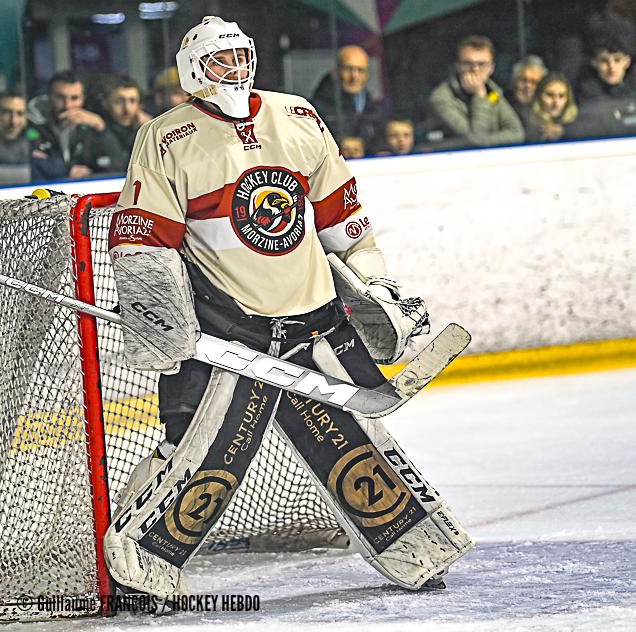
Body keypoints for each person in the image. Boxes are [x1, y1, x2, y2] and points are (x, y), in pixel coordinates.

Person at [103, 16, 465, 602]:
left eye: (241, 55)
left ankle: (413, 545)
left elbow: (342, 218)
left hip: (315, 321)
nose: (235, 69)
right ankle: (138, 569)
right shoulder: (166, 137)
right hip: (228, 329)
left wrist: (376, 283)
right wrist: (157, 313)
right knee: (199, 450)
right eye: (220, 60)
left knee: (353, 438)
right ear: (192, 71)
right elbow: (145, 240)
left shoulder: (296, 115)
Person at [425, 35, 524, 148]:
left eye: (482, 64)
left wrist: (484, 141)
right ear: (458, 66)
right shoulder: (441, 98)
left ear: (491, 68)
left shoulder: (493, 93)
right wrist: (479, 96)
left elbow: (516, 133)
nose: (475, 70)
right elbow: (475, 141)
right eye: (468, 64)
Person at [26, 70, 105, 181]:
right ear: (48, 96)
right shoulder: (31, 124)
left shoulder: (92, 123)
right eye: (60, 97)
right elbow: (31, 161)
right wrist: (66, 170)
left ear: (83, 99)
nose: (67, 105)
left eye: (74, 98)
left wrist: (101, 129)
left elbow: (113, 163)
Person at [310, 45, 385, 150]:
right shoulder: (316, 109)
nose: (354, 76)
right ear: (335, 72)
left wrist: (364, 145)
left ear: (366, 75)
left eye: (360, 70)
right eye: (348, 69)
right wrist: (340, 144)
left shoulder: (374, 109)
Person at [78, 75, 143, 174]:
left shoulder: (145, 130)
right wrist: (104, 132)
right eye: (119, 101)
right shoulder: (94, 130)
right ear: (105, 103)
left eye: (132, 101)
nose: (127, 109)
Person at [576, 35, 635, 102]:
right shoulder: (585, 95)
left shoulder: (633, 92)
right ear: (594, 63)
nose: (611, 66)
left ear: (627, 62)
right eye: (604, 61)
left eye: (617, 60)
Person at [508, 55, 548, 125]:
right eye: (523, 80)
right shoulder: (500, 97)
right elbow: (489, 102)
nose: (528, 86)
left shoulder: (549, 105)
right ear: (514, 81)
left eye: (534, 82)